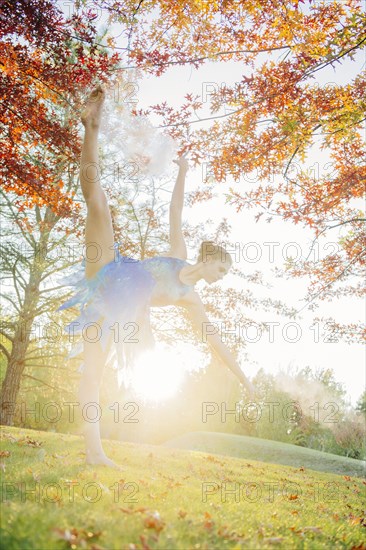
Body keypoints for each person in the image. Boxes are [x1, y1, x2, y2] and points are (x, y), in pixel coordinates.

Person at [59, 85, 254, 467]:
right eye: (222, 268)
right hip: (111, 270)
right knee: (98, 205)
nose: (222, 276)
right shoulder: (178, 255)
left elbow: (214, 340)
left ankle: (94, 453)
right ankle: (92, 126)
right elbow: (175, 209)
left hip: (116, 312)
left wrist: (243, 378)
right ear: (209, 257)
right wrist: (182, 170)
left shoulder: (190, 298)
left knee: (95, 373)